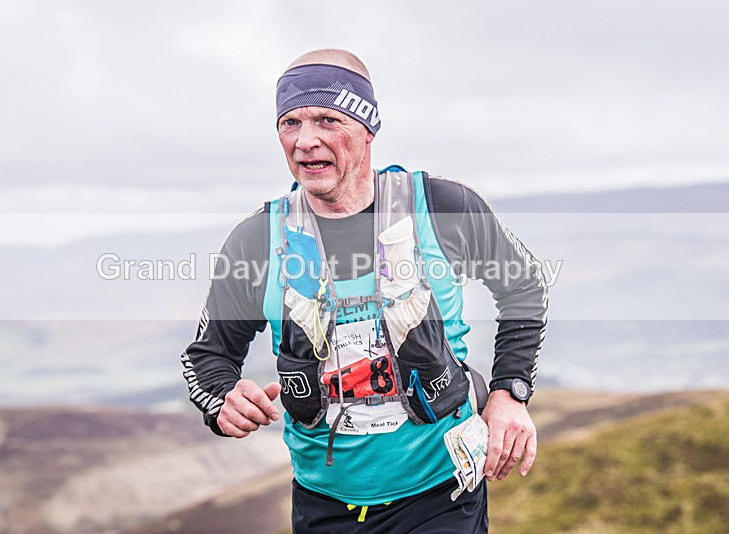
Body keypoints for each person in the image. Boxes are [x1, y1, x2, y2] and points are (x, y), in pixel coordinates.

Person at [180, 49, 548, 533]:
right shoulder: (258, 238)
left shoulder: (441, 207)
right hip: (323, 503)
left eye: (326, 119)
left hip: (442, 495)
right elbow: (207, 355)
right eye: (289, 124)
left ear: (367, 127)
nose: (305, 141)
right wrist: (223, 398)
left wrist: (509, 393)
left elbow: (524, 286)